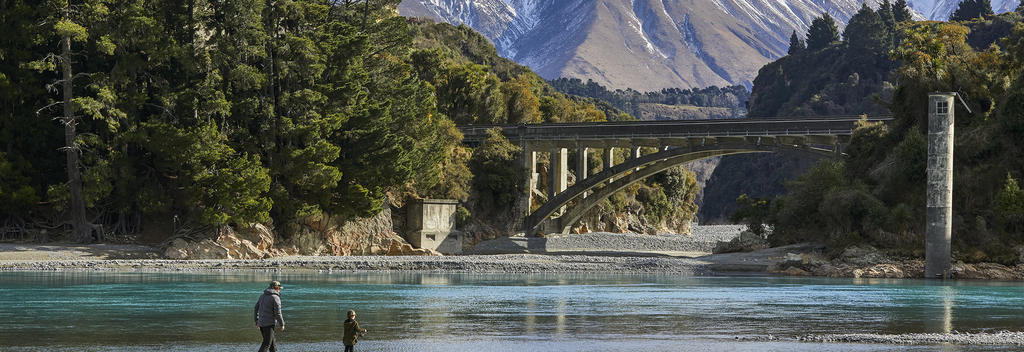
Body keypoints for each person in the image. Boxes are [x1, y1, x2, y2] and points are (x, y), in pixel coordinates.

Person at [254, 281, 285, 352]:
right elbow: (278, 313)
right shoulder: (275, 298)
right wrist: (282, 324)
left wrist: (256, 320)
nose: (279, 290)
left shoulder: (262, 296)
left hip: (261, 323)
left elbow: (256, 308)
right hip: (269, 324)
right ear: (276, 288)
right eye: (279, 288)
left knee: (272, 345)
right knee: (267, 343)